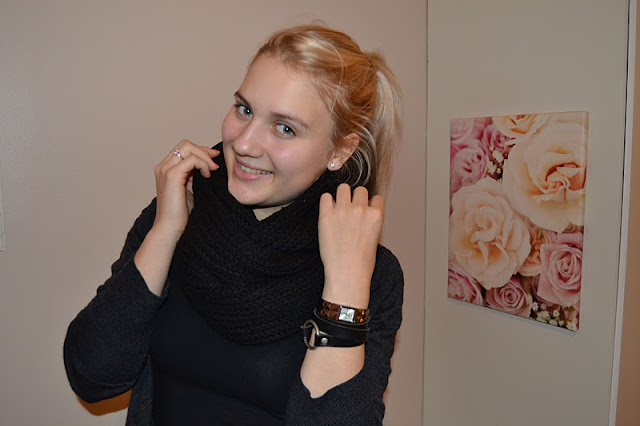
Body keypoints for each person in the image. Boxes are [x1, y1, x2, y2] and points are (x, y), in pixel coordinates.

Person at [64, 24, 404, 425]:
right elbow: (93, 375)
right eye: (245, 110)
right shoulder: (181, 211)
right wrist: (165, 231)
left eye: (285, 128)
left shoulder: (371, 274)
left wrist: (344, 293)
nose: (243, 143)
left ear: (340, 150)